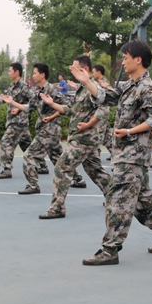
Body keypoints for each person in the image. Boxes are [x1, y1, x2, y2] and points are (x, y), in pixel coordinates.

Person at [73, 40, 152, 265]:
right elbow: (105, 97)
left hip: (133, 155)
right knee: (143, 204)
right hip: (127, 154)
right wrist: (87, 82)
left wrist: (130, 130)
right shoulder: (129, 85)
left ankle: (110, 250)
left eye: (126, 57)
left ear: (138, 60)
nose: (123, 61)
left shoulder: (146, 87)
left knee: (118, 201)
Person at [37, 55, 111, 219]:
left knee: (61, 168)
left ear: (84, 69)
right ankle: (116, 197)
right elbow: (70, 109)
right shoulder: (81, 88)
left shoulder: (94, 87)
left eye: (75, 68)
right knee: (95, 171)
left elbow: (104, 110)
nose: (72, 70)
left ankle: (57, 208)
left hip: (84, 139)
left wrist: (88, 125)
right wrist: (52, 104)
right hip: (82, 138)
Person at [1, 63, 66, 195]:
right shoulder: (37, 91)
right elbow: (28, 107)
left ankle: (33, 185)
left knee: (28, 156)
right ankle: (78, 179)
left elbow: (66, 107)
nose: (33, 75)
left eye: (35, 73)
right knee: (58, 158)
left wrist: (51, 116)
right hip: (45, 130)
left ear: (42, 75)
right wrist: (13, 103)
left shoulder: (52, 90)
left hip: (50, 130)